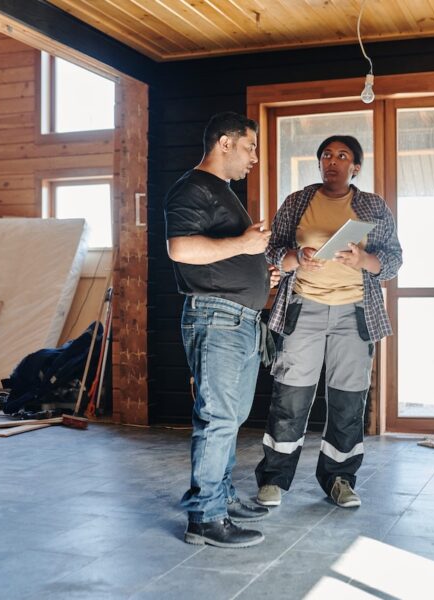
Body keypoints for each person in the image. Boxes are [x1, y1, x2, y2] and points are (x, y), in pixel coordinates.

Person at [255, 135, 402, 509]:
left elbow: (394, 258)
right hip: (303, 310)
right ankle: (274, 479)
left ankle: (339, 478)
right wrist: (296, 257)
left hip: (355, 314)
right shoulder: (297, 202)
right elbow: (273, 251)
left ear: (356, 167)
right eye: (326, 155)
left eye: (342, 156)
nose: (332, 161)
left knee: (348, 402)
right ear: (319, 163)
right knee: (290, 396)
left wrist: (364, 260)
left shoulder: (372, 206)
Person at [164, 112, 279, 548]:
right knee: (218, 419)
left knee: (228, 419)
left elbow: (218, 254)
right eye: (250, 147)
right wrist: (245, 246)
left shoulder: (221, 193)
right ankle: (206, 518)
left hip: (238, 319)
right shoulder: (193, 187)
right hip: (218, 319)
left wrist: (256, 270)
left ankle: (222, 496)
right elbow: (180, 248)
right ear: (225, 143)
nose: (253, 157)